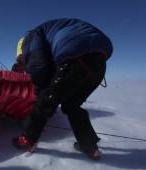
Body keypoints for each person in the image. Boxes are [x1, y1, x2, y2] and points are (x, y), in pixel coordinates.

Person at [12, 18, 113, 160]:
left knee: (43, 103)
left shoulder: (31, 38)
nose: (24, 63)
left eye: (22, 60)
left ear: (22, 49)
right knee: (72, 106)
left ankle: (27, 139)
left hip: (75, 56)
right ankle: (89, 146)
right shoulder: (50, 34)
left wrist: (39, 93)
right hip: (99, 61)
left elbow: (38, 67)